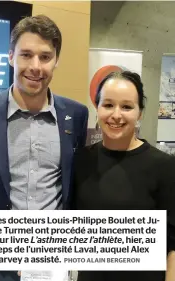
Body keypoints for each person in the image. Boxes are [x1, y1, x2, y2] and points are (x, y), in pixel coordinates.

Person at [0, 15, 89, 281]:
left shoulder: (75, 115)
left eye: (45, 57)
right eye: (26, 55)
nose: (35, 66)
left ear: (56, 60)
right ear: (11, 57)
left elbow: (75, 187)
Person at [72, 71, 175, 281]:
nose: (116, 115)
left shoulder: (164, 166)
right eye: (108, 105)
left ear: (140, 113)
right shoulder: (80, 160)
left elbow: (173, 244)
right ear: (97, 107)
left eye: (127, 107)